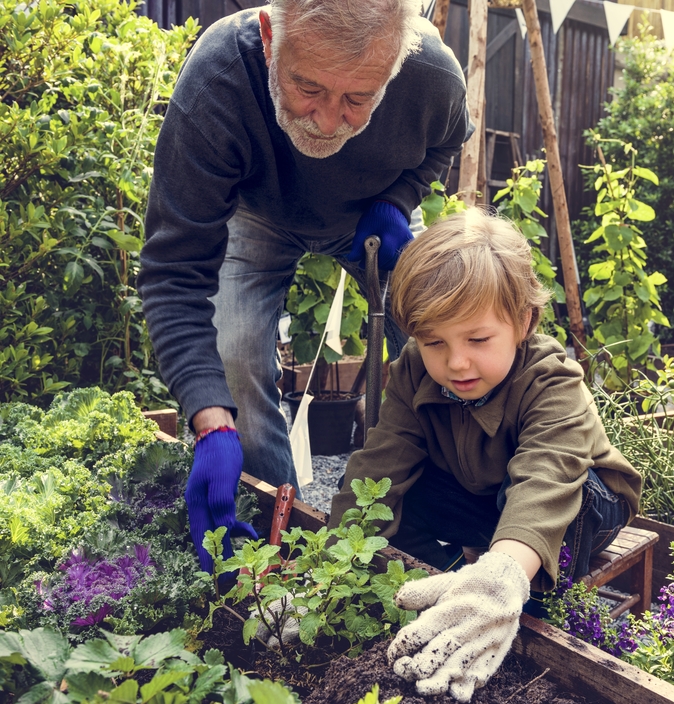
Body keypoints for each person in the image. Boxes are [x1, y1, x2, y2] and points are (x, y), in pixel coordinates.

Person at [137, 0, 472, 572]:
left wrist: (397, 201)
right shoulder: (220, 77)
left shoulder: (430, 74)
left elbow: (445, 142)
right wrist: (211, 420)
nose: (325, 119)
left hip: (371, 215)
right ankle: (282, 543)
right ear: (271, 37)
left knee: (446, 335)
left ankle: (455, 512)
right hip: (256, 215)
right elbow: (175, 271)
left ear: (395, 66)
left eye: (357, 100)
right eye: (307, 87)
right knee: (235, 364)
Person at [327, 208, 642, 702]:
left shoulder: (551, 379)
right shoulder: (415, 371)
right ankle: (452, 582)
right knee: (391, 497)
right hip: (481, 493)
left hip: (579, 500)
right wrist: (327, 573)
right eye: (434, 342)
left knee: (566, 500)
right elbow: (379, 464)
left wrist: (504, 576)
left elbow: (546, 477)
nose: (456, 362)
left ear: (522, 322)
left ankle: (525, 603)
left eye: (477, 339)